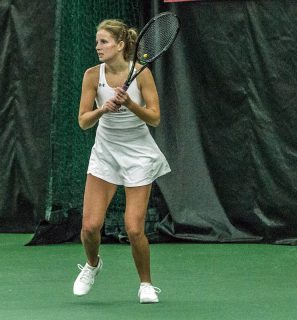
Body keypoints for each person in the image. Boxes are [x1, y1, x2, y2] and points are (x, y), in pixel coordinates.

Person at [73, 18, 171, 304]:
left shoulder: (141, 74)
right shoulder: (93, 76)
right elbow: (83, 122)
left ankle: (146, 284)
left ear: (119, 45)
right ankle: (92, 265)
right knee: (90, 227)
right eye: (97, 41)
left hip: (139, 154)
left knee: (133, 228)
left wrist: (130, 104)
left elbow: (155, 117)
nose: (98, 47)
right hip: (106, 152)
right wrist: (103, 108)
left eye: (103, 42)